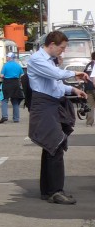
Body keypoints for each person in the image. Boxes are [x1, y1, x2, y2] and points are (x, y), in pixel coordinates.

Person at [26, 29, 89, 204]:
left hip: (50, 104)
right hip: (44, 105)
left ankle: (48, 190)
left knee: (51, 146)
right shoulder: (37, 59)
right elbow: (55, 75)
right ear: (52, 45)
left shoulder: (49, 62)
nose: (63, 51)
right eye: (62, 48)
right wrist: (74, 73)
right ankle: (55, 191)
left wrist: (73, 89)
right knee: (55, 144)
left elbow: (56, 85)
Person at [0, 51, 25, 124]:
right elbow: (22, 75)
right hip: (16, 83)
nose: (6, 58)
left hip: (7, 83)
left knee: (4, 100)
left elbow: (2, 75)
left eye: (7, 57)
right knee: (15, 101)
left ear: (9, 57)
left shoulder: (5, 65)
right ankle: (16, 118)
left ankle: (5, 116)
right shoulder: (18, 66)